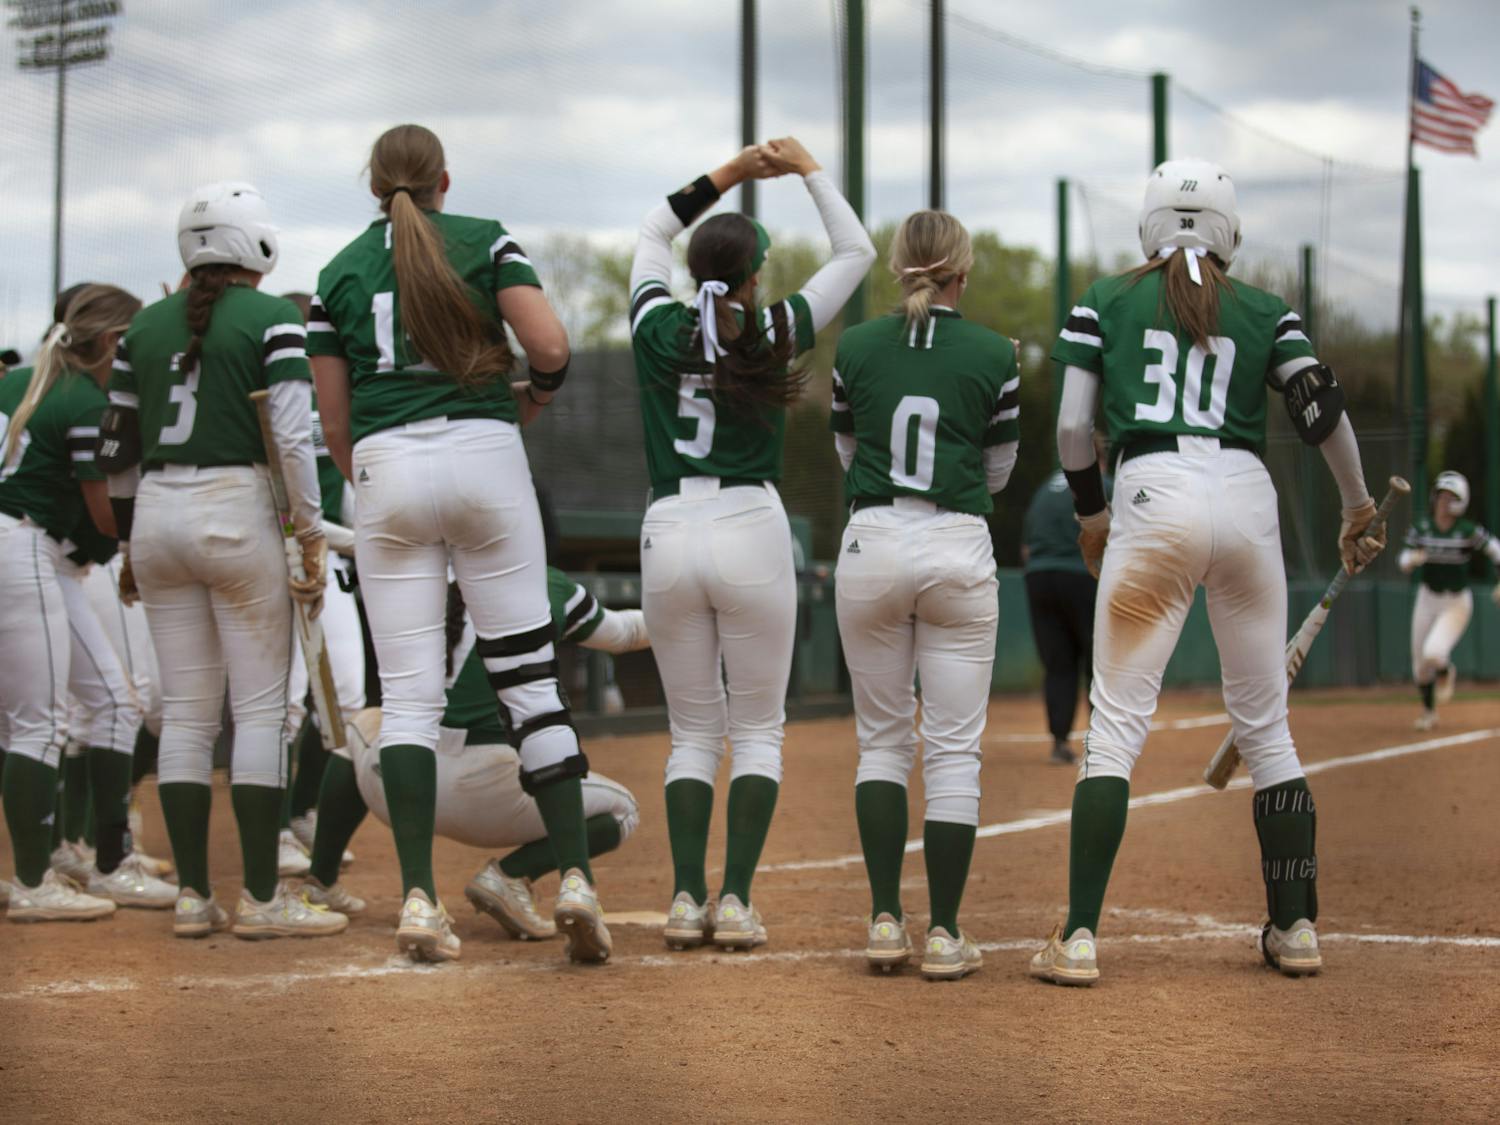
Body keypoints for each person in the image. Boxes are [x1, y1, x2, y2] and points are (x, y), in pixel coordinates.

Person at [1028, 159, 1386, 985]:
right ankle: (1295, 928)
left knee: (1116, 727)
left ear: (1150, 222)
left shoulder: (1104, 300)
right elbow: (1319, 410)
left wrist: (1092, 514)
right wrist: (1356, 506)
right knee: (1267, 727)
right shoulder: (1267, 308)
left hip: (1154, 495)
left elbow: (1075, 428)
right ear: (1228, 229)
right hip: (1246, 498)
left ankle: (1078, 937)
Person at [309, 123, 608, 965]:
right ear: (445, 177)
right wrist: (536, 398)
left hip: (383, 467)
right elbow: (548, 345)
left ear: (373, 184)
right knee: (531, 687)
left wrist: (372, 468)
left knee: (406, 702)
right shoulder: (485, 238)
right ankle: (576, 878)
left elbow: (333, 420)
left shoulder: (336, 270)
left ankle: (416, 898)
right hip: (483, 455)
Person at [629, 138, 875, 951]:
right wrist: (807, 170)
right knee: (758, 730)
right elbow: (857, 250)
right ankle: (733, 901)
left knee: (692, 732)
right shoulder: (769, 328)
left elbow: (649, 234)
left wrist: (729, 174)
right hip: (749, 528)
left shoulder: (659, 324)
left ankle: (682, 898)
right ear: (748, 279)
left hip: (668, 528)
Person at [102, 181, 344, 941]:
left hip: (158, 516)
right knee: (262, 710)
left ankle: (193, 896)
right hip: (236, 511)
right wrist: (307, 528)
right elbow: (296, 439)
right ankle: (264, 898)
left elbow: (118, 452)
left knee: (185, 713)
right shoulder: (275, 318)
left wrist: (129, 541)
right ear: (257, 246)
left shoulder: (141, 328)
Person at [830, 210, 1019, 980]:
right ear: (960, 273)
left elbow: (847, 452)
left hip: (872, 538)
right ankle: (943, 933)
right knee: (952, 753)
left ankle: (883, 919)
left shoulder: (853, 345)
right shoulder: (994, 352)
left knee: (881, 742)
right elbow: (999, 469)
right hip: (955, 542)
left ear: (899, 268)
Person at [315, 573, 648, 939]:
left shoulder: (421, 577)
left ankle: (322, 880)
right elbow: (624, 633)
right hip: (494, 796)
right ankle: (511, 875)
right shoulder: (546, 582)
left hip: (397, 785)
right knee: (622, 810)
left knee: (361, 727)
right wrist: (690, 613)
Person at [0, 283, 156, 922]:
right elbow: (104, 514)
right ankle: (35, 882)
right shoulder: (85, 400)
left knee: (112, 704)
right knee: (39, 723)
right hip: (25, 548)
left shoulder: (17, 382)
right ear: (114, 342)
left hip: (31, 551)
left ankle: (88, 859)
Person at [1022, 437, 1111, 765]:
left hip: (1039, 578)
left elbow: (1026, 549)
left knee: (1058, 664)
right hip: (1081, 576)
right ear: (1099, 459)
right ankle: (1102, 742)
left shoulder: (1044, 490)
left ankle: (1059, 742)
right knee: (1097, 661)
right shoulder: (1103, 483)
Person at [1398, 471, 1500, 730]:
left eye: (1450, 497)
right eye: (1441, 496)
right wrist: (1412, 560)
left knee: (1434, 653)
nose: (1444, 502)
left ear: (1461, 501)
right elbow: (1403, 560)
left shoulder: (1466, 530)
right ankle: (1429, 712)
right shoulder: (1422, 527)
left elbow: (1495, 549)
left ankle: (1445, 671)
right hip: (1427, 598)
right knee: (1420, 666)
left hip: (1455, 603)